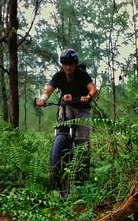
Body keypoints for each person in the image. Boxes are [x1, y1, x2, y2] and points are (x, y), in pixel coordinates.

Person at [36, 49, 97, 192]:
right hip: (66, 107)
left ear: (75, 64)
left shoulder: (82, 75)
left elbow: (93, 89)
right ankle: (61, 150)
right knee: (62, 127)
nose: (67, 67)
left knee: (82, 140)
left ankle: (82, 175)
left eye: (70, 64)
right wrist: (42, 99)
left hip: (82, 109)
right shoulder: (58, 76)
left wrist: (88, 97)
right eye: (64, 64)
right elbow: (48, 91)